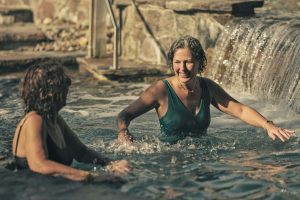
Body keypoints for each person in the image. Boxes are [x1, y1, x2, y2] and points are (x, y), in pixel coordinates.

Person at [117, 35, 294, 143]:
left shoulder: (207, 87)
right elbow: (124, 115)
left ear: (199, 62)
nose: (182, 68)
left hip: (203, 160)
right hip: (169, 160)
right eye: (177, 62)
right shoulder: (161, 90)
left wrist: (268, 125)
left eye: (188, 61)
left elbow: (239, 110)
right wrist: (123, 132)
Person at [12, 62, 130, 182]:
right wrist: (91, 177)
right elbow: (39, 165)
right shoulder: (34, 120)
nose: (68, 86)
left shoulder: (55, 120)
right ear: (49, 92)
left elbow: (82, 153)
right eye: (62, 84)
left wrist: (111, 163)